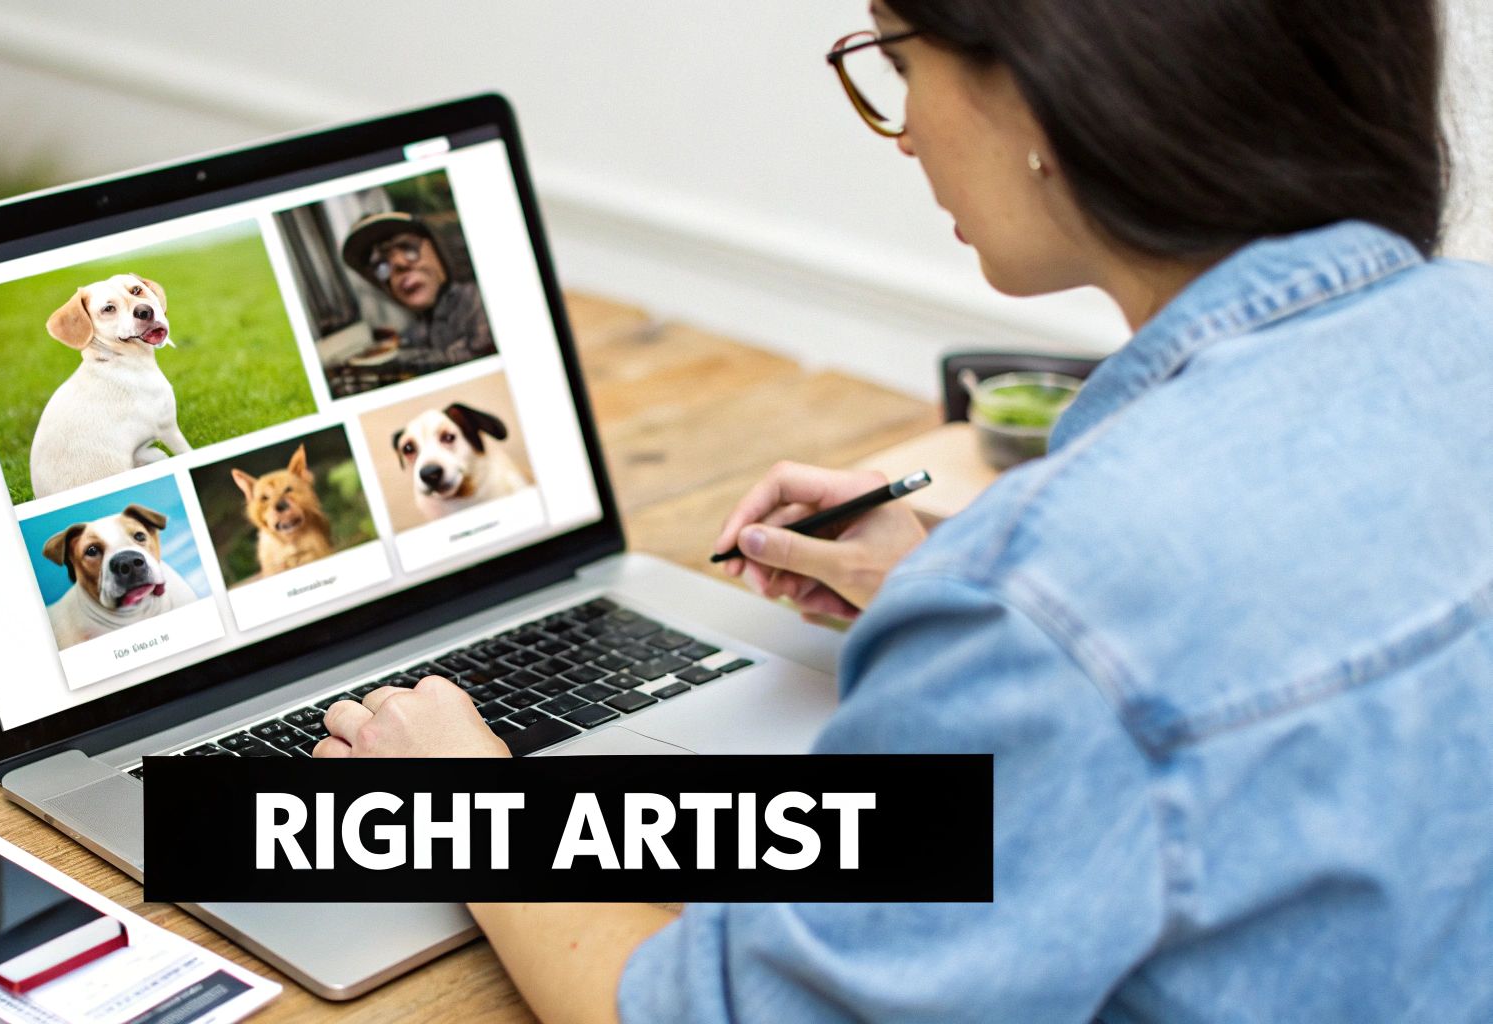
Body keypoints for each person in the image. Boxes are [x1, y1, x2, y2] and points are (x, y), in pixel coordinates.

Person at [313, 0, 1493, 1020]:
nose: (906, 132)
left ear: (1045, 90)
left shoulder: (1052, 602)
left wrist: (465, 807)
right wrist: (959, 590)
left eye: (896, 63)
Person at [340, 210, 495, 369]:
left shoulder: (482, 302)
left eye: (408, 248)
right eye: (381, 265)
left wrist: (397, 360)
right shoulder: (416, 331)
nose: (399, 264)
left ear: (438, 250)